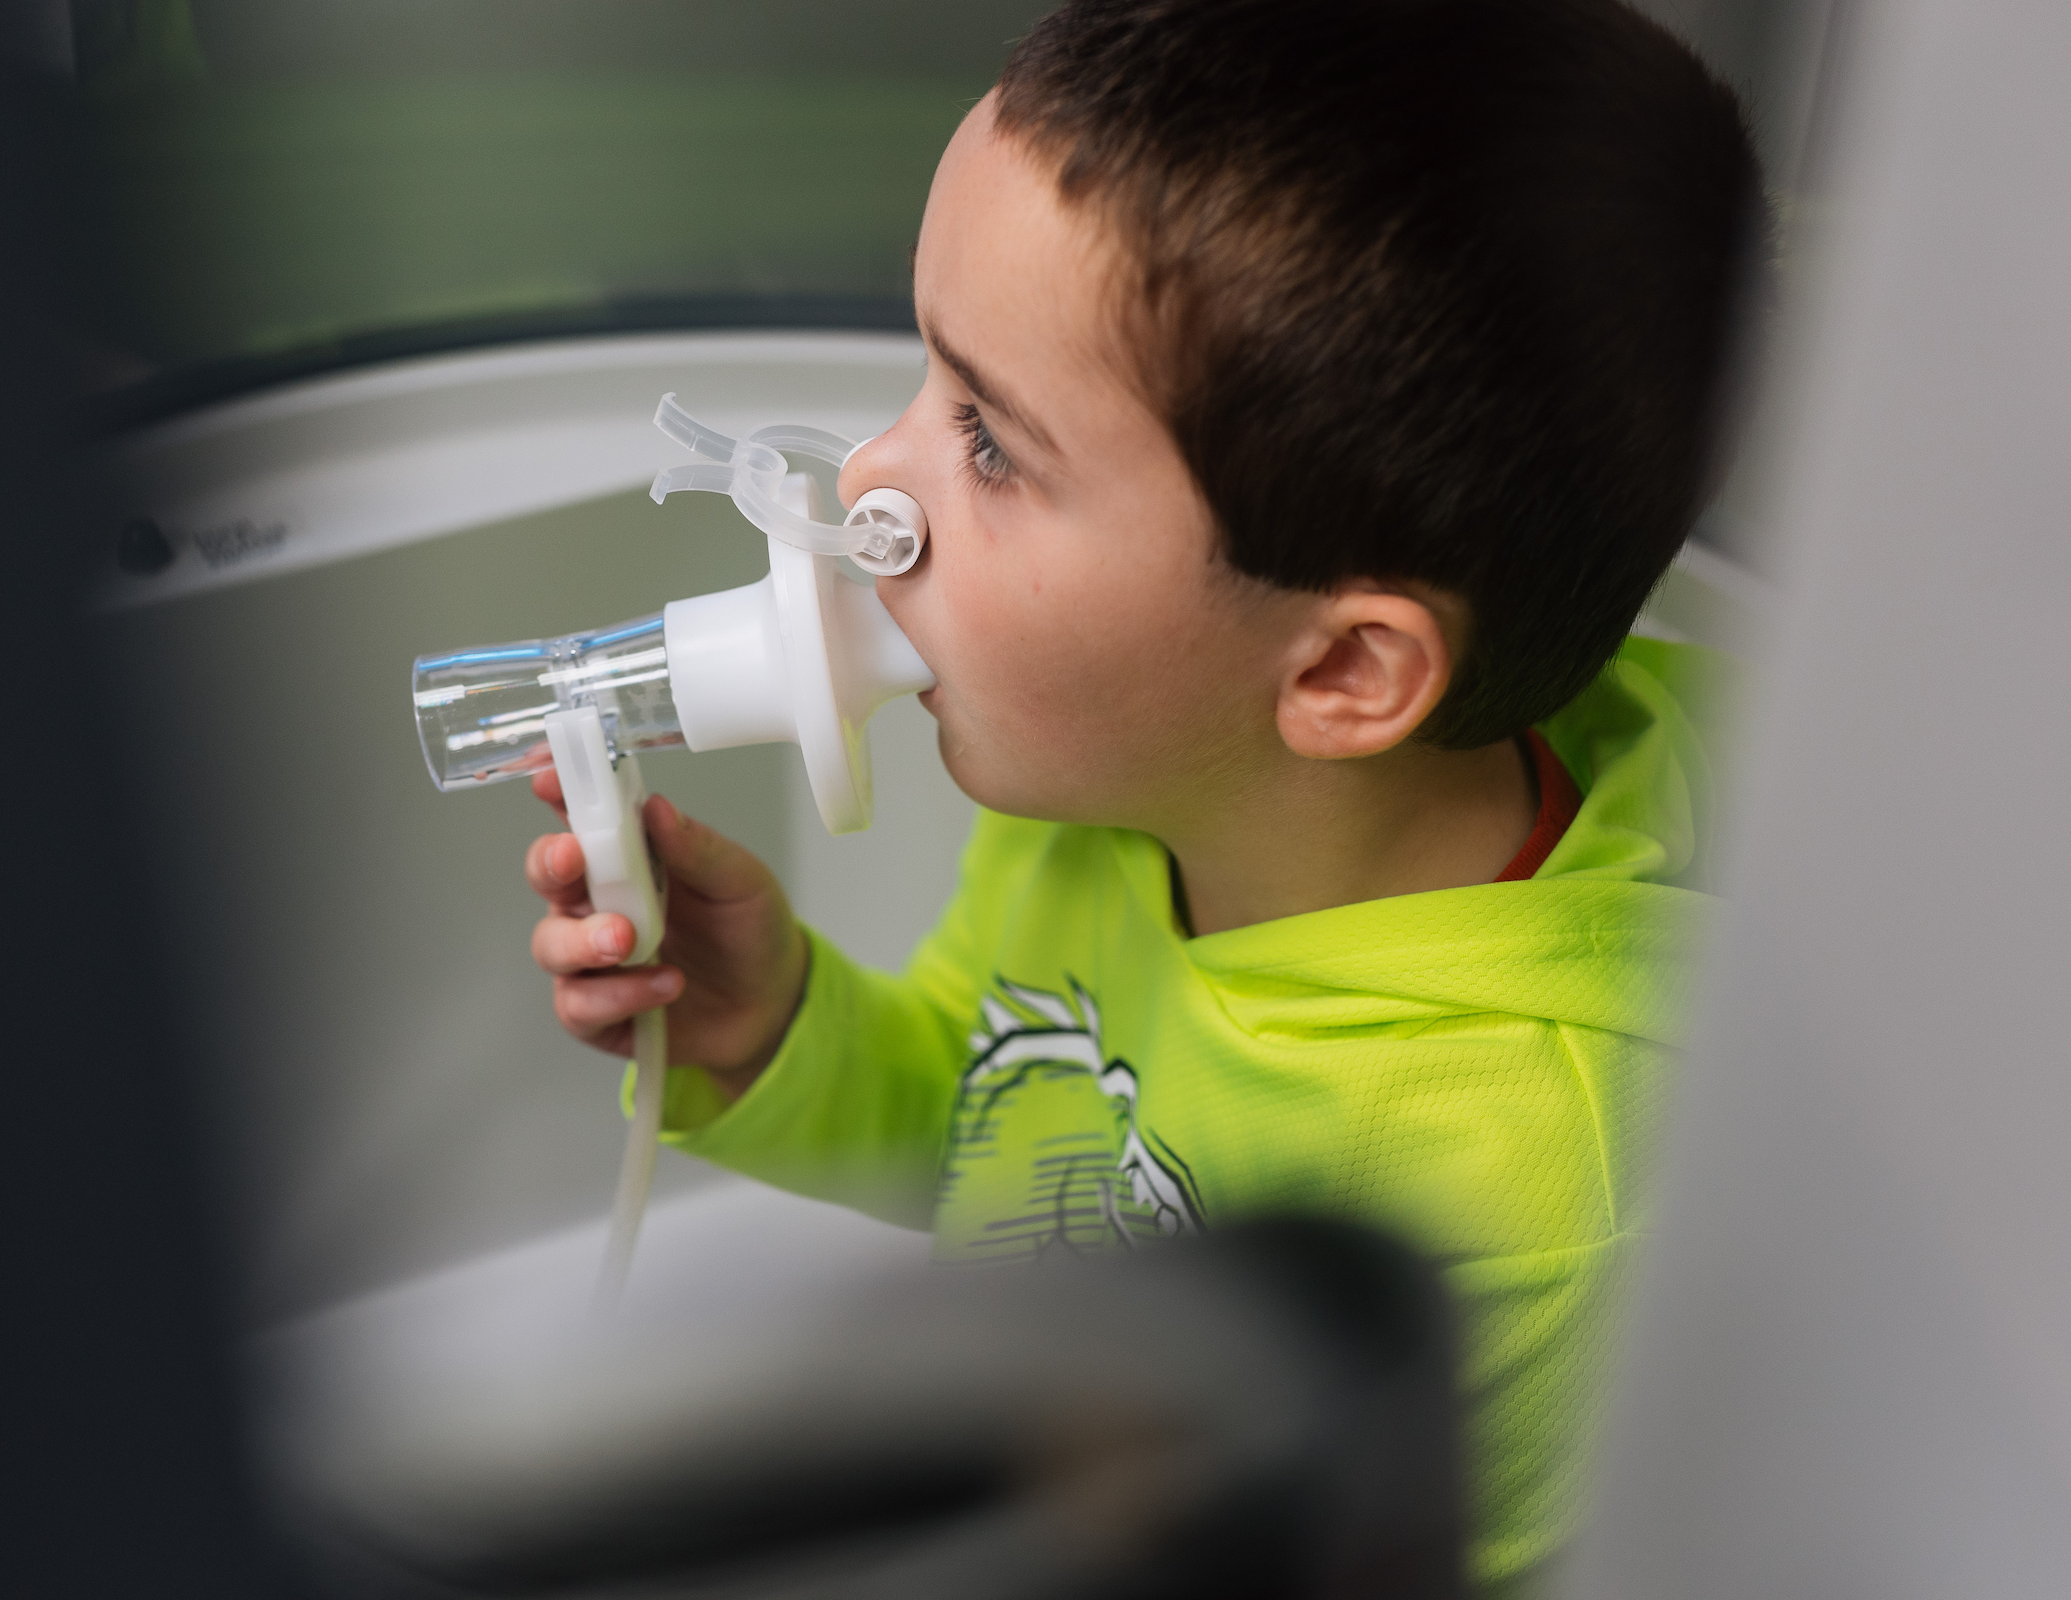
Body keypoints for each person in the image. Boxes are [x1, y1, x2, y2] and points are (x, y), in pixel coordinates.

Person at [524, 1, 1764, 1590]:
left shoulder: (1516, 1185)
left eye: (990, 444)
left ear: (1340, 678)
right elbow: (999, 1120)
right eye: (927, 381)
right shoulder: (1130, 781)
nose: (868, 482)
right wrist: (773, 1034)